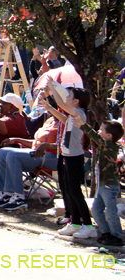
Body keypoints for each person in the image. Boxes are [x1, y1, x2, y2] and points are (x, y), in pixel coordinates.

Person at [40, 87, 96, 239]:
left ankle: (88, 225)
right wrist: (50, 108)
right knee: (70, 191)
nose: (67, 97)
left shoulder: (80, 113)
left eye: (69, 95)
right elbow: (64, 120)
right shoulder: (73, 116)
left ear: (76, 101)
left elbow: (60, 103)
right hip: (67, 156)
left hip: (74, 158)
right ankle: (75, 223)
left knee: (76, 192)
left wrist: (53, 87)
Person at [0, 111, 60, 211]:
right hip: (37, 154)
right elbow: (36, 143)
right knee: (1, 152)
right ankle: (6, 193)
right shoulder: (49, 121)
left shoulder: (64, 123)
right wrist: (17, 139)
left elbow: (65, 146)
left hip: (53, 158)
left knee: (13, 155)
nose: (50, 112)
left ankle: (19, 197)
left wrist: (46, 145)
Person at [72, 112, 124, 246]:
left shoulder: (110, 145)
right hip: (103, 185)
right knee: (96, 210)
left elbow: (95, 137)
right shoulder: (104, 145)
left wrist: (83, 125)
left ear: (109, 136)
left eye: (101, 130)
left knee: (111, 212)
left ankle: (117, 236)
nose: (99, 132)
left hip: (109, 186)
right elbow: (96, 138)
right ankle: (106, 232)